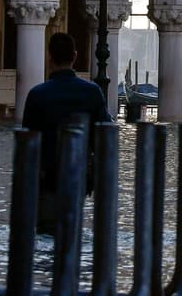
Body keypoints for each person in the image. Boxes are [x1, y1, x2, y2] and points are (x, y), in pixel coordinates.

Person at [22, 32, 113, 233]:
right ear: (74, 56)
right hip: (78, 174)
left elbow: (27, 140)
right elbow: (104, 136)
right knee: (71, 230)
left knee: (46, 231)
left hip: (47, 177)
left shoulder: (37, 94)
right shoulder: (92, 92)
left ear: (50, 57)